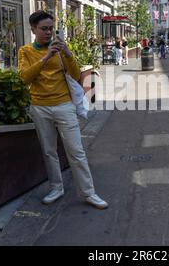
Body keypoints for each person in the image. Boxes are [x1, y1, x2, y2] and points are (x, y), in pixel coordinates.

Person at [18, 11, 108, 209]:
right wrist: (46, 57)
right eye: (44, 29)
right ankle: (56, 187)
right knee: (49, 151)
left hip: (64, 105)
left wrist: (67, 54)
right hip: (40, 107)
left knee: (76, 151)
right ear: (33, 29)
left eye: (51, 28)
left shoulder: (60, 50)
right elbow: (25, 77)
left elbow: (76, 76)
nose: (49, 32)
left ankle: (89, 192)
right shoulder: (25, 51)